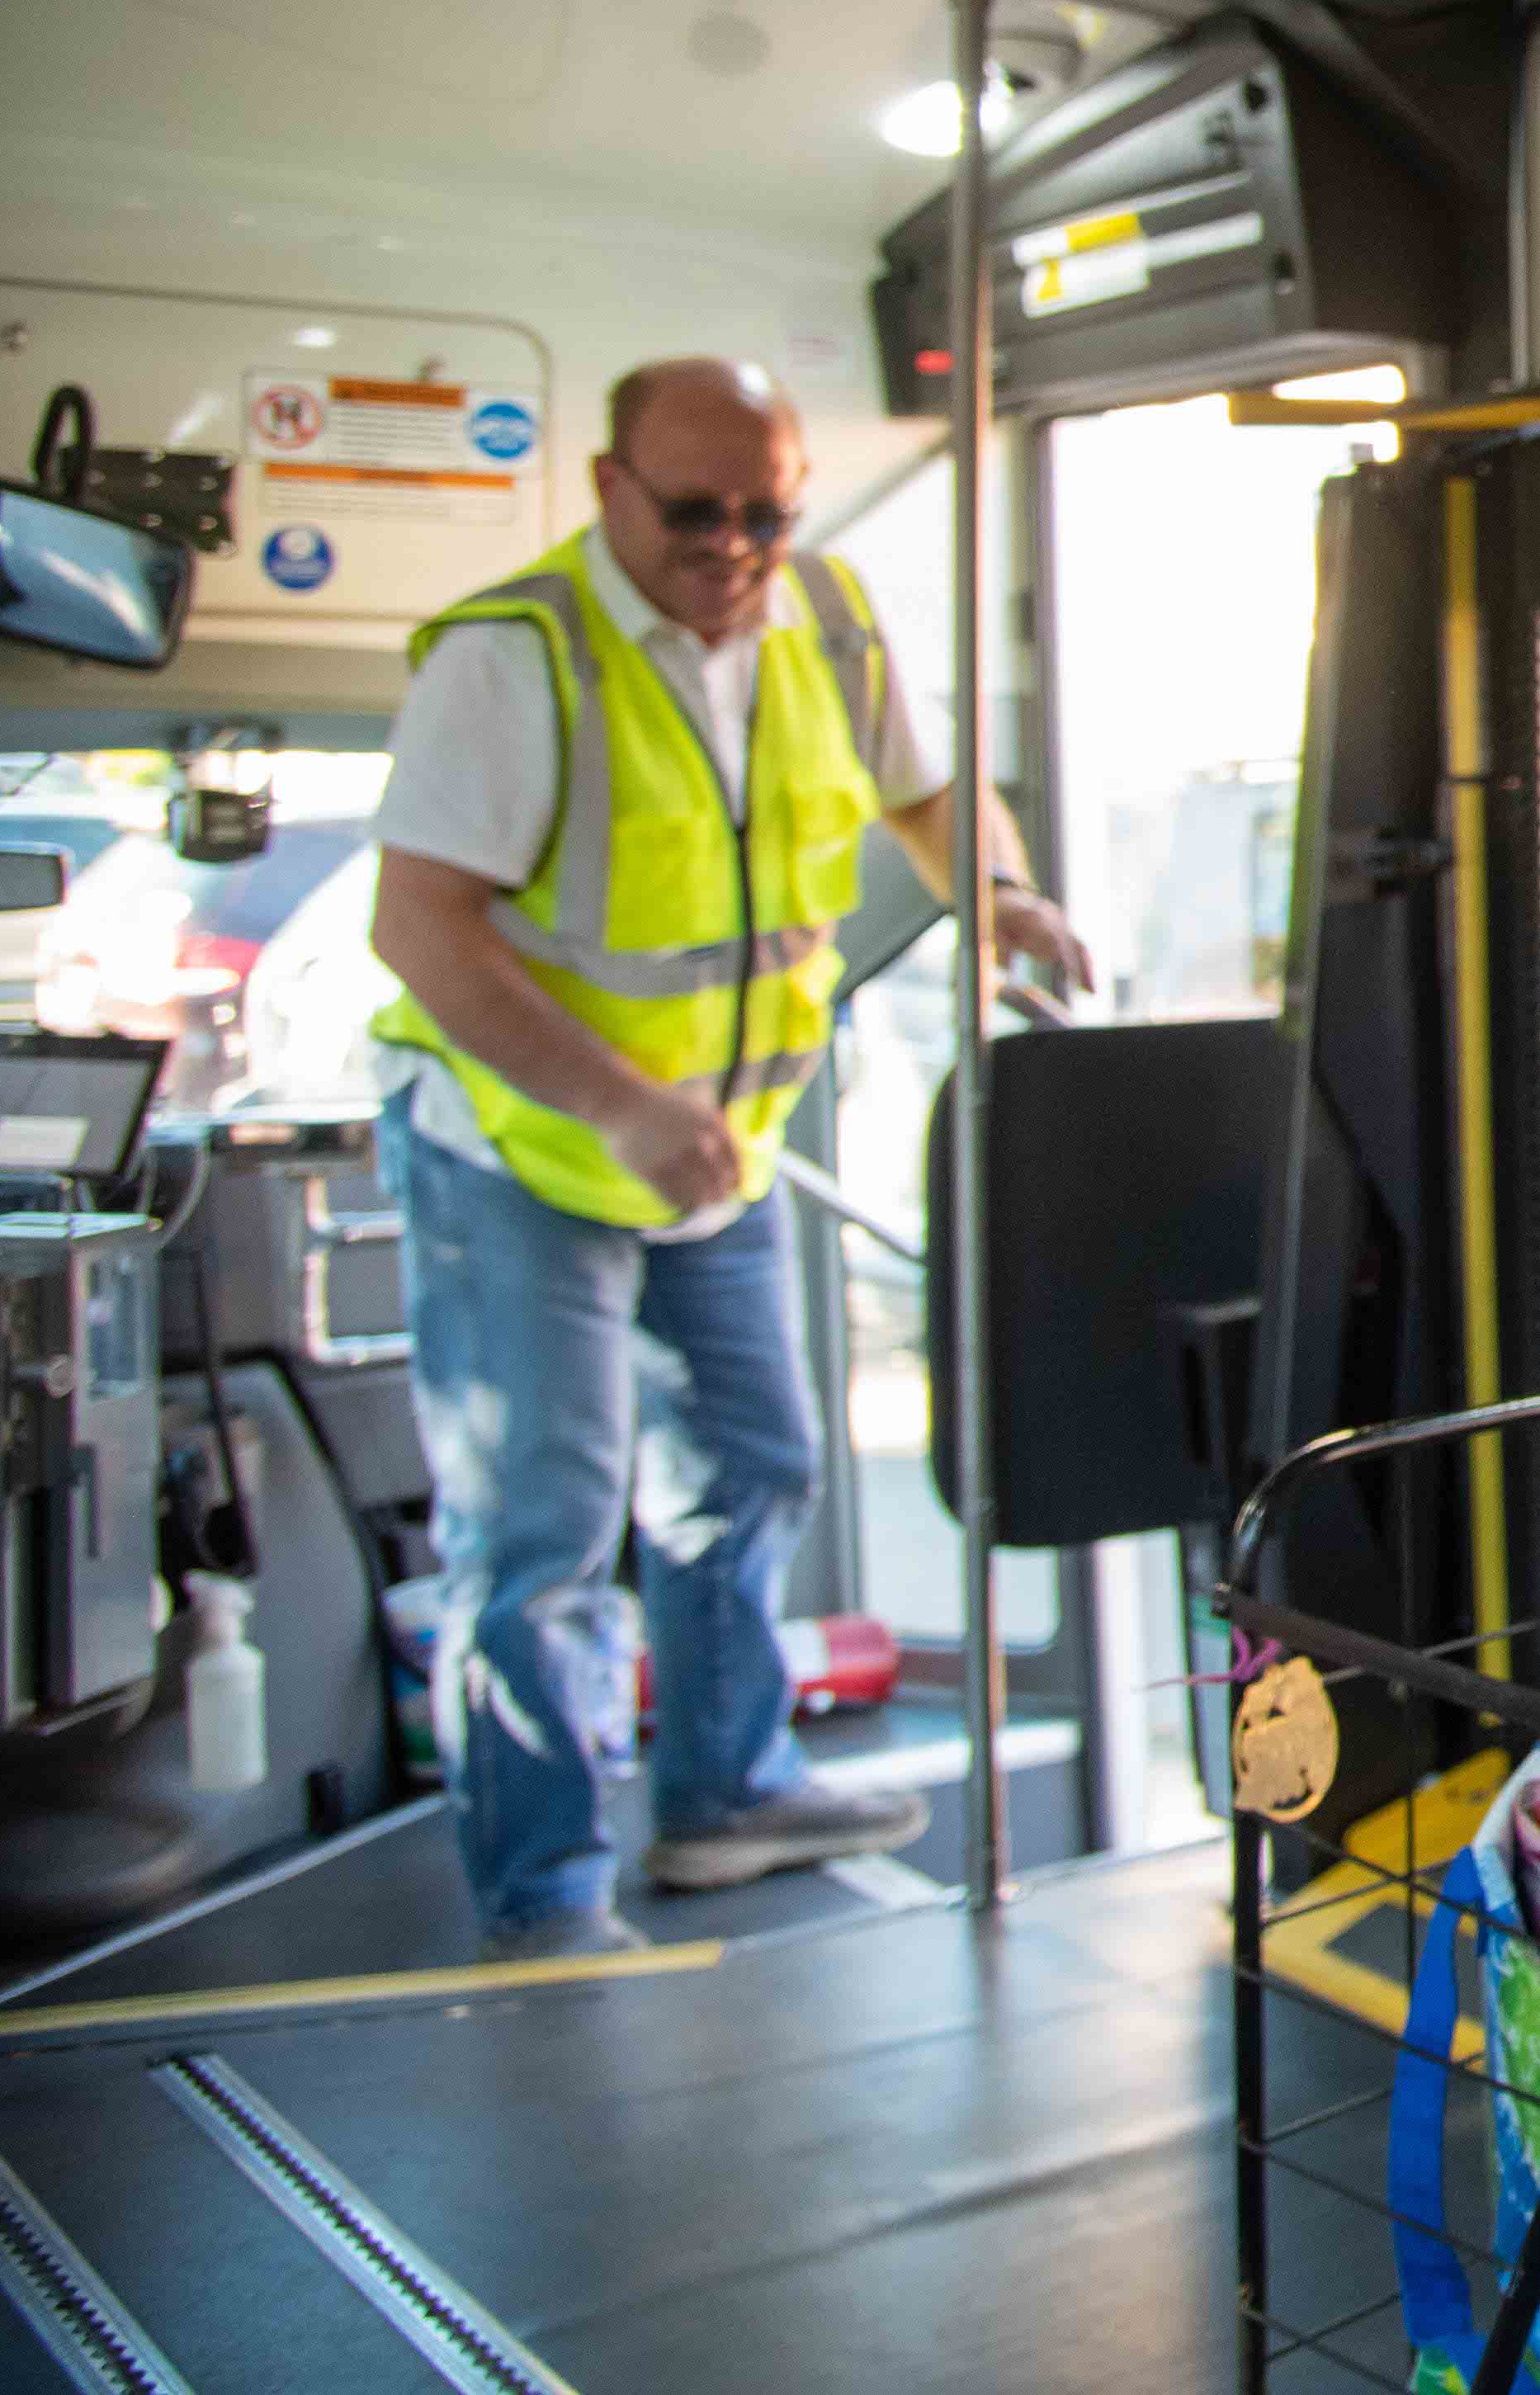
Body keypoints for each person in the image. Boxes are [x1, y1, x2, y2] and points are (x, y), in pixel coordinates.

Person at [369, 356, 1092, 1960]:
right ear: (609, 487)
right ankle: (547, 1889)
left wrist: (1002, 893)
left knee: (753, 1461)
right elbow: (419, 928)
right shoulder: (515, 661)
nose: (733, 544)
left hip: (721, 1146)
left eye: (767, 510)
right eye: (694, 510)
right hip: (521, 1146)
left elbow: (925, 791)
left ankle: (722, 1793)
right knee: (542, 1530)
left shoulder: (825, 621)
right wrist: (627, 1102)